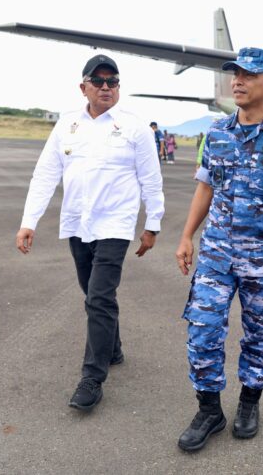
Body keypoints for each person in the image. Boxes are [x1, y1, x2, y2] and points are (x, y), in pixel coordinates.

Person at [174, 47, 263, 451]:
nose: (238, 80)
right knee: (202, 331)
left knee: (260, 334)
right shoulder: (217, 132)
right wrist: (186, 236)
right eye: (235, 73)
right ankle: (209, 409)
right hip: (216, 255)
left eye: (249, 75)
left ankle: (249, 402)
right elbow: (205, 187)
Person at [15, 54, 164, 412]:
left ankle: (92, 377)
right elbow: (46, 174)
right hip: (78, 225)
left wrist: (152, 225)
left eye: (112, 81)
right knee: (93, 294)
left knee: (99, 296)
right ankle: (112, 349)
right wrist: (28, 221)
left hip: (115, 225)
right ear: (83, 87)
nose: (106, 87)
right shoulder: (67, 126)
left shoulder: (135, 128)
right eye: (98, 81)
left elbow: (151, 180)